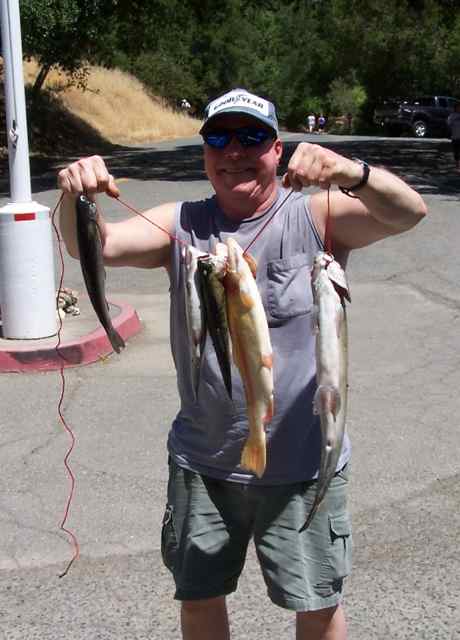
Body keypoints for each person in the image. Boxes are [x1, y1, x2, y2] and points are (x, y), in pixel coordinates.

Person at [57, 87, 427, 640]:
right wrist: (75, 195)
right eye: (219, 138)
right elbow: (91, 246)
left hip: (304, 462)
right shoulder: (181, 223)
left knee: (317, 603)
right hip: (203, 461)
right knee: (200, 597)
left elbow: (408, 212)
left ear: (277, 149)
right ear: (205, 152)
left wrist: (353, 171)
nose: (235, 151)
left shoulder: (318, 213)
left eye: (252, 137)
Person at [447, 102, 460, 172]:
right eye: (458, 107)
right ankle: (458, 167)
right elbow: (449, 124)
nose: (459, 108)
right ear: (455, 108)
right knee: (456, 153)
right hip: (455, 137)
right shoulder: (452, 116)